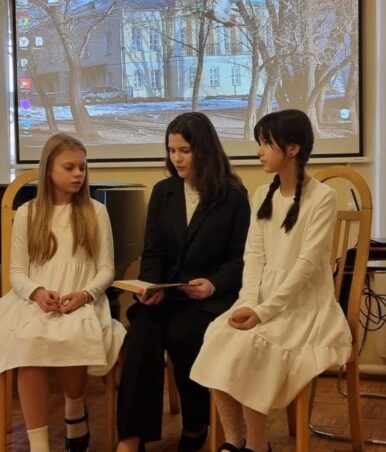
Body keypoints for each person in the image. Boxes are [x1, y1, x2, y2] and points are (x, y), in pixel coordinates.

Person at [191, 109, 352, 452]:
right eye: (259, 143)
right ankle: (234, 441)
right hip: (261, 298)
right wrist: (249, 302)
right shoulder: (262, 193)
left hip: (305, 306)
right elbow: (254, 255)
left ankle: (258, 445)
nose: (259, 151)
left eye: (266, 143)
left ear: (292, 148)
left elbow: (307, 266)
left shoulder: (323, 197)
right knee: (218, 334)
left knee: (254, 344)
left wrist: (264, 312)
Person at [116, 112, 251, 452]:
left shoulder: (233, 195)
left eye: (184, 151)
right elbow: (153, 251)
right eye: (171, 150)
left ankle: (196, 422)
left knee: (183, 334)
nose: (176, 158)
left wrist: (213, 284)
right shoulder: (163, 192)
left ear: (204, 150)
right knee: (141, 332)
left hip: (209, 299)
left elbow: (241, 258)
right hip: (167, 294)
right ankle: (131, 437)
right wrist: (150, 286)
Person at [0, 133, 126, 452]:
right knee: (28, 344)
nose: (78, 174)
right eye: (69, 167)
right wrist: (37, 292)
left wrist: (84, 294)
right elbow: (17, 272)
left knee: (73, 335)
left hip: (82, 298)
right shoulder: (28, 213)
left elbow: (106, 269)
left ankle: (74, 412)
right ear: (48, 170)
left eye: (82, 167)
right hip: (35, 300)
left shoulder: (96, 211)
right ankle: (39, 444)